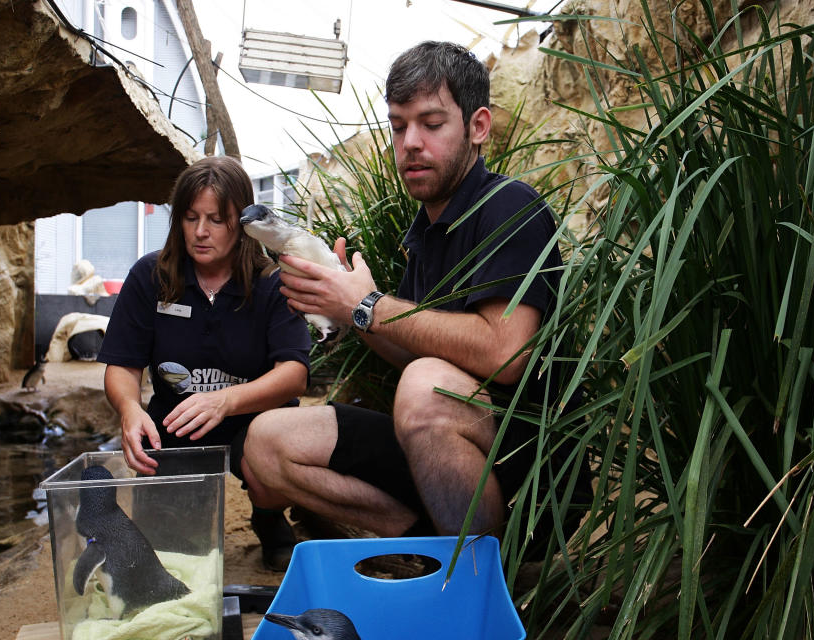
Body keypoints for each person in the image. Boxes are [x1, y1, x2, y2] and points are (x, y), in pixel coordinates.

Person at [242, 41, 572, 542]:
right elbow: (415, 346)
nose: (410, 142)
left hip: (530, 469)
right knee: (266, 440)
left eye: (431, 124)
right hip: (441, 442)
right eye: (398, 126)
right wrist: (346, 307)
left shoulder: (508, 206)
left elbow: (506, 355)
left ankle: (477, 577)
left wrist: (369, 306)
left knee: (423, 388)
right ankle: (428, 541)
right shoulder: (424, 232)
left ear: (478, 126)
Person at [96, 155, 311, 569]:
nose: (200, 232)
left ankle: (269, 514)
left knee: (273, 446)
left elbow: (294, 374)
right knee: (174, 554)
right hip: (178, 423)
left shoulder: (271, 281)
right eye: (191, 217)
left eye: (216, 219)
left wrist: (225, 401)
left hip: (255, 420)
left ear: (242, 221)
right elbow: (122, 364)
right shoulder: (150, 276)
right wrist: (129, 409)